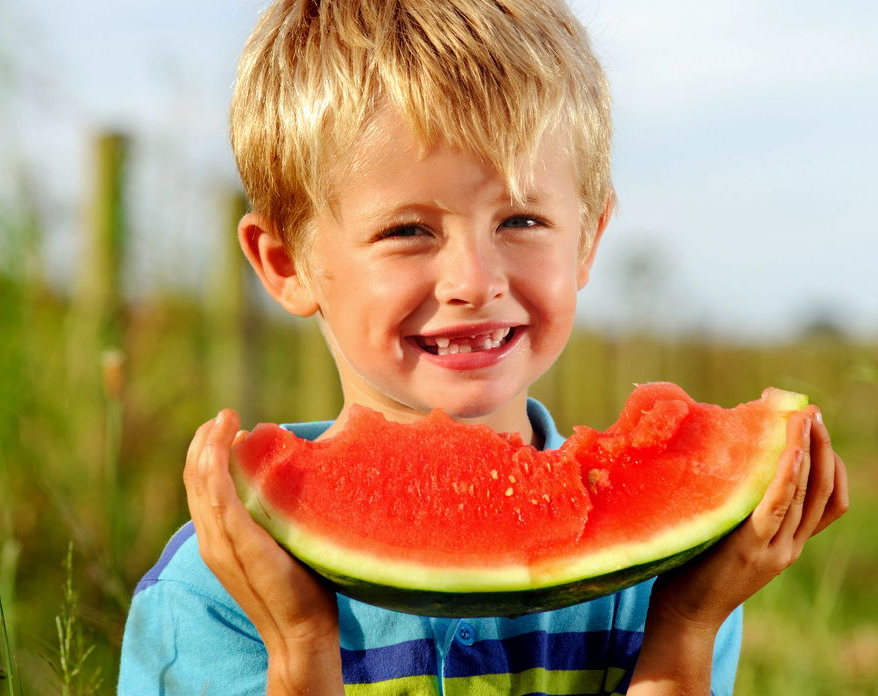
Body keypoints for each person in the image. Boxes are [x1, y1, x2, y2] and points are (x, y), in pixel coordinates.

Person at [118, 1, 849, 693]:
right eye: (408, 231)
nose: (474, 281)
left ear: (588, 240)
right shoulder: (214, 594)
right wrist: (301, 645)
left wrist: (687, 626)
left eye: (522, 220)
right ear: (286, 264)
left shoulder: (676, 577)